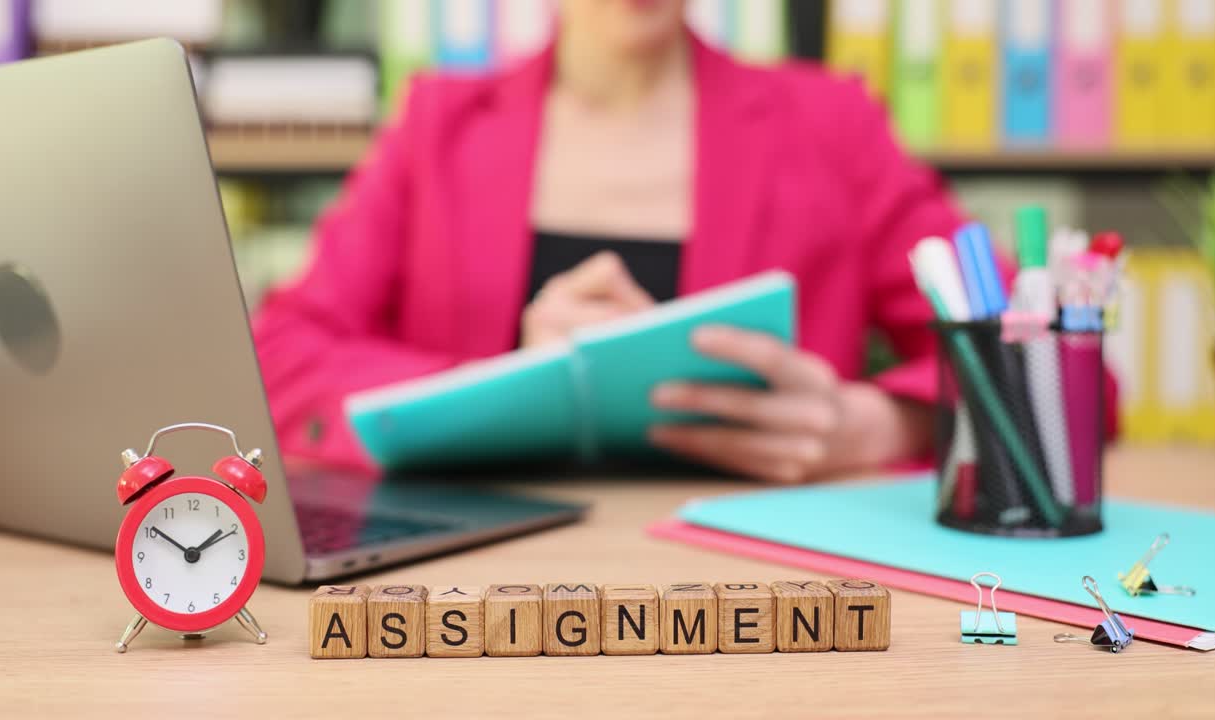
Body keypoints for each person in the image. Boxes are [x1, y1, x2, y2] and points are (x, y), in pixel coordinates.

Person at [253, 0, 970, 482]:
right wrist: (495, 390)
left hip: (758, 591)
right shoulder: (436, 126)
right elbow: (279, 358)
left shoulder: (831, 125)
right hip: (472, 585)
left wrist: (877, 426)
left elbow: (1023, 343)